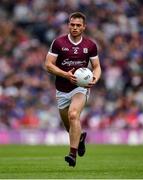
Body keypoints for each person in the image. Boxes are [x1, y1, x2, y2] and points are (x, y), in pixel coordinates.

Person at [45, 12, 101, 167]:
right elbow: (48, 65)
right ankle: (80, 137)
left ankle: (72, 155)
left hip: (80, 88)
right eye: (72, 24)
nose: (75, 27)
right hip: (62, 89)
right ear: (68, 25)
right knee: (69, 126)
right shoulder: (58, 43)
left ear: (84, 27)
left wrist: (94, 79)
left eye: (78, 25)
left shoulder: (90, 45)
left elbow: (96, 67)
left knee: (73, 114)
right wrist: (65, 75)